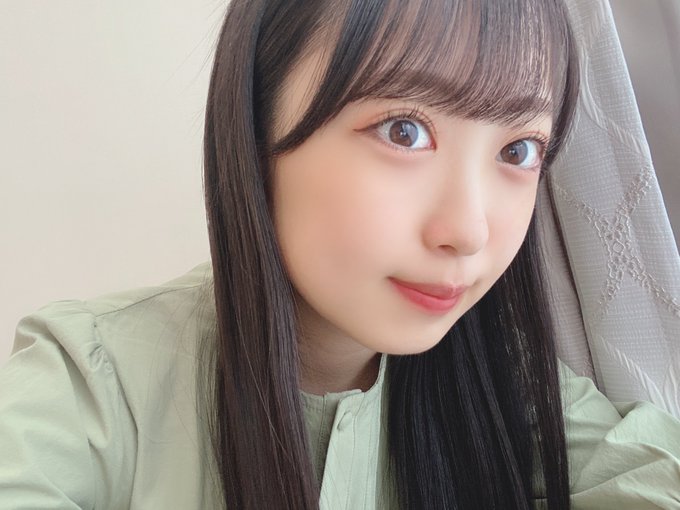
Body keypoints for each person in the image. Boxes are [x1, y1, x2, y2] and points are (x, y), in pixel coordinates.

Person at [1, 0, 679, 509]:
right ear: (254, 123)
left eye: (518, 150)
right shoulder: (91, 385)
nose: (469, 231)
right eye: (404, 130)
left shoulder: (508, 386)